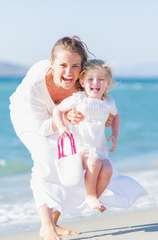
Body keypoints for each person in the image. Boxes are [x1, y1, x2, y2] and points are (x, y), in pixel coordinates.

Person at [9, 36, 146, 240]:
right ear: (51, 63)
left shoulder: (81, 81)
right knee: (46, 160)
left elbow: (96, 106)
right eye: (63, 65)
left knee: (72, 163)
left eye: (75, 66)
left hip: (62, 116)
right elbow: (43, 127)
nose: (68, 72)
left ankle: (55, 221)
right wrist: (64, 116)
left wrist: (105, 119)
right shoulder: (34, 85)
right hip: (29, 117)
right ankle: (46, 226)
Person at [53, 59, 120, 213]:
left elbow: (116, 117)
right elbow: (58, 110)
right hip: (80, 147)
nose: (95, 83)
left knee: (108, 169)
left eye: (101, 79)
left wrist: (115, 135)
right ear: (82, 82)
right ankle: (90, 195)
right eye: (90, 79)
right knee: (94, 163)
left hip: (99, 147)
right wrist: (62, 126)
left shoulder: (108, 102)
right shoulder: (78, 99)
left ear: (107, 83)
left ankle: (96, 196)